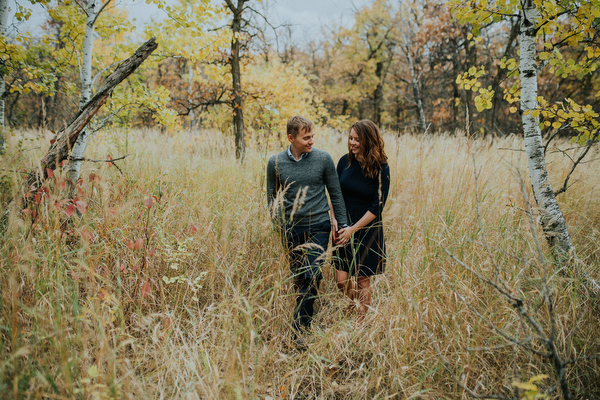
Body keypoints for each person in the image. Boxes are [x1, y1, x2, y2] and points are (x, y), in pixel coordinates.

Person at [266, 115, 348, 346]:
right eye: (306, 137)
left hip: (319, 227)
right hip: (291, 231)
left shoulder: (323, 159)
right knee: (300, 278)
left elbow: (336, 194)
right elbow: (272, 200)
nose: (311, 141)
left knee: (313, 274)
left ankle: (299, 330)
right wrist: (280, 228)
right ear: (291, 138)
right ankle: (305, 316)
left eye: (312, 136)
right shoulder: (276, 163)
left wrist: (341, 225)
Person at [333, 119, 390, 322]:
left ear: (369, 141)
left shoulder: (381, 168)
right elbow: (335, 194)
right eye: (350, 138)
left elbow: (377, 206)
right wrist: (335, 221)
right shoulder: (343, 162)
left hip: (366, 228)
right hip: (342, 226)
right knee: (341, 281)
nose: (352, 143)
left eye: (357, 139)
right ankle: (354, 304)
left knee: (363, 278)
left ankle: (359, 322)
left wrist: (353, 229)